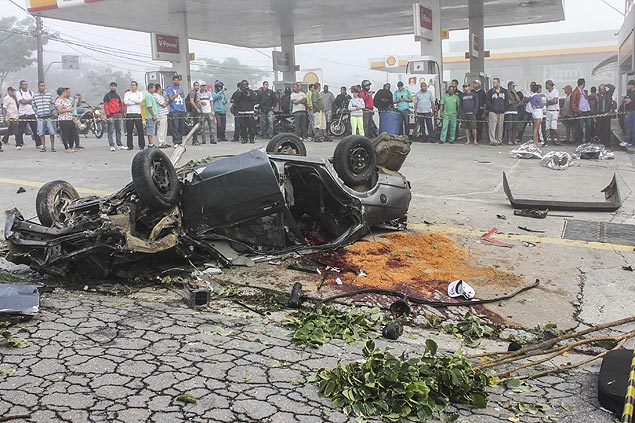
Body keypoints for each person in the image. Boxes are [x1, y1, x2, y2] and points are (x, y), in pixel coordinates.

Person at [32, 81, 57, 152]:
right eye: (41, 86)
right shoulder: (35, 95)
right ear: (38, 86)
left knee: (52, 132)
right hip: (40, 117)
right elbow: (33, 105)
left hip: (49, 116)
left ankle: (52, 146)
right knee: (41, 132)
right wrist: (37, 111)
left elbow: (53, 103)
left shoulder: (49, 95)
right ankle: (43, 146)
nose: (42, 87)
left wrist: (50, 110)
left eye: (43, 86)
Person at [15, 80, 38, 149]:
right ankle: (18, 144)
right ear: (21, 85)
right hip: (23, 114)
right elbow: (22, 101)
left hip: (31, 112)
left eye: (26, 84)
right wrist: (29, 101)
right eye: (24, 84)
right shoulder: (18, 93)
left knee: (35, 129)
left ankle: (38, 143)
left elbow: (34, 101)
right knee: (20, 130)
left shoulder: (31, 92)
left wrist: (26, 101)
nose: (26, 86)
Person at [55, 87, 79, 153]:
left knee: (72, 133)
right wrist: (68, 110)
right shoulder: (58, 100)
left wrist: (74, 100)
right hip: (63, 119)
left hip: (70, 118)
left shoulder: (66, 100)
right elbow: (60, 110)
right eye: (66, 92)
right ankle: (66, 147)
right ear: (63, 92)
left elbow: (70, 105)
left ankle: (71, 146)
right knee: (65, 134)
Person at [569, 78, 592, 144]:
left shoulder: (583, 91)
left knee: (588, 127)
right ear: (583, 83)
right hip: (580, 112)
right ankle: (579, 141)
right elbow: (573, 104)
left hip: (587, 111)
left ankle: (588, 141)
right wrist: (578, 111)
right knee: (580, 128)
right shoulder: (575, 92)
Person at [123, 81, 144, 150]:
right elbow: (126, 102)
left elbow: (140, 101)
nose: (132, 86)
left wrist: (131, 100)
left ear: (136, 86)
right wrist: (135, 101)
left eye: (134, 85)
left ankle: (141, 145)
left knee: (140, 130)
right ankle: (130, 145)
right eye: (131, 85)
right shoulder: (127, 93)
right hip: (129, 113)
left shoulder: (140, 93)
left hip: (137, 113)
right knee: (129, 131)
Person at [484, 78, 506, 146]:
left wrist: (504, 108)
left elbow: (506, 101)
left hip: (501, 111)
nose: (494, 84)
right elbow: (487, 101)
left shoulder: (504, 91)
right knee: (492, 126)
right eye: (493, 82)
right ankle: (493, 140)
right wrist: (492, 107)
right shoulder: (490, 92)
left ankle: (499, 140)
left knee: (500, 127)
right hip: (493, 111)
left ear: (498, 83)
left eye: (495, 82)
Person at [103, 82, 123, 150]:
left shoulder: (117, 96)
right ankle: (111, 145)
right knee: (110, 130)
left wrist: (120, 112)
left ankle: (119, 144)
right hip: (111, 115)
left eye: (114, 86)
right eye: (112, 86)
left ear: (116, 87)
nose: (113, 87)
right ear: (110, 87)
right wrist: (108, 116)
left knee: (118, 130)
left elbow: (120, 105)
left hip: (118, 115)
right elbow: (106, 106)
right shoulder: (107, 96)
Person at [167, 75, 186, 146]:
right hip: (174, 110)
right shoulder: (170, 89)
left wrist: (185, 109)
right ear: (173, 81)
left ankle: (180, 141)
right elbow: (171, 98)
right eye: (175, 80)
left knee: (181, 127)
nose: (176, 81)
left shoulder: (181, 88)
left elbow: (183, 99)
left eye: (177, 80)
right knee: (175, 127)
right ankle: (176, 142)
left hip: (181, 110)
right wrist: (177, 93)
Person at [543, 80, 560, 146]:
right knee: (549, 127)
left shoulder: (555, 91)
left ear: (550, 85)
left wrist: (548, 102)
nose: (546, 86)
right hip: (548, 110)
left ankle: (558, 139)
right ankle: (552, 140)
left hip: (554, 110)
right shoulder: (546, 93)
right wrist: (550, 101)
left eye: (546, 84)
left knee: (554, 127)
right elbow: (546, 102)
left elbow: (555, 101)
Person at [153, 84, 170, 148]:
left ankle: (164, 141)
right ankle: (161, 142)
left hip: (164, 114)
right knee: (161, 129)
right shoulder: (156, 96)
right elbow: (163, 105)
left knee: (165, 129)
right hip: (160, 114)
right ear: (159, 88)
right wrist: (167, 103)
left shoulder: (159, 96)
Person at [187, 81, 203, 145]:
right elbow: (191, 101)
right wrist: (197, 109)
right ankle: (194, 140)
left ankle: (195, 139)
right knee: (195, 126)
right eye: (196, 85)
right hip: (194, 111)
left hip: (197, 111)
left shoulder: (197, 93)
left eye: (198, 86)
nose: (197, 87)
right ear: (193, 86)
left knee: (197, 126)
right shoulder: (192, 92)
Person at [144, 83, 158, 148]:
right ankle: (150, 144)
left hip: (151, 116)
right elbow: (149, 106)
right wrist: (153, 115)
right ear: (150, 88)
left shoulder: (150, 95)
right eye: (154, 88)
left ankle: (151, 143)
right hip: (150, 117)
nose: (155, 89)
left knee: (152, 130)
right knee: (150, 130)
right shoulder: (148, 96)